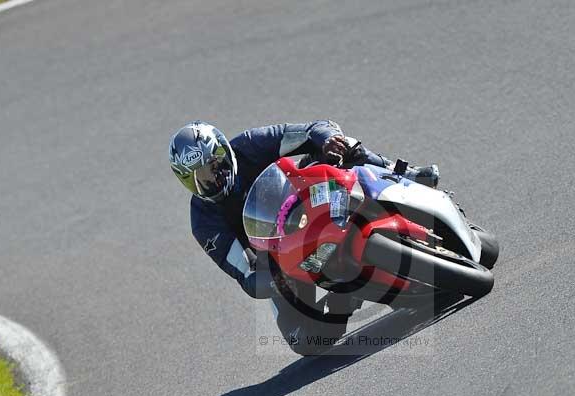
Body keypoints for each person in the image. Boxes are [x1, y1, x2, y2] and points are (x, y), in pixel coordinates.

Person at [168, 120, 438, 355]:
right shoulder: (204, 222)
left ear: (225, 151)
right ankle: (345, 298)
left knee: (344, 146)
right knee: (305, 340)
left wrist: (328, 140)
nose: (211, 181)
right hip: (283, 256)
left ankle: (405, 174)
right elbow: (247, 276)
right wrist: (278, 278)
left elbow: (312, 128)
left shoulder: (250, 145)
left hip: (308, 200)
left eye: (214, 167)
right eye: (197, 179)